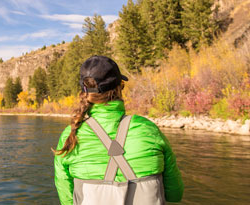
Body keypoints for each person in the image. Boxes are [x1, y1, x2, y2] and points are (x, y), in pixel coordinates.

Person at [54, 55, 184, 205]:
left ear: (85, 93)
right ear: (118, 88)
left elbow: (67, 200)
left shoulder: (70, 135)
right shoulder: (148, 129)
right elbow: (175, 195)